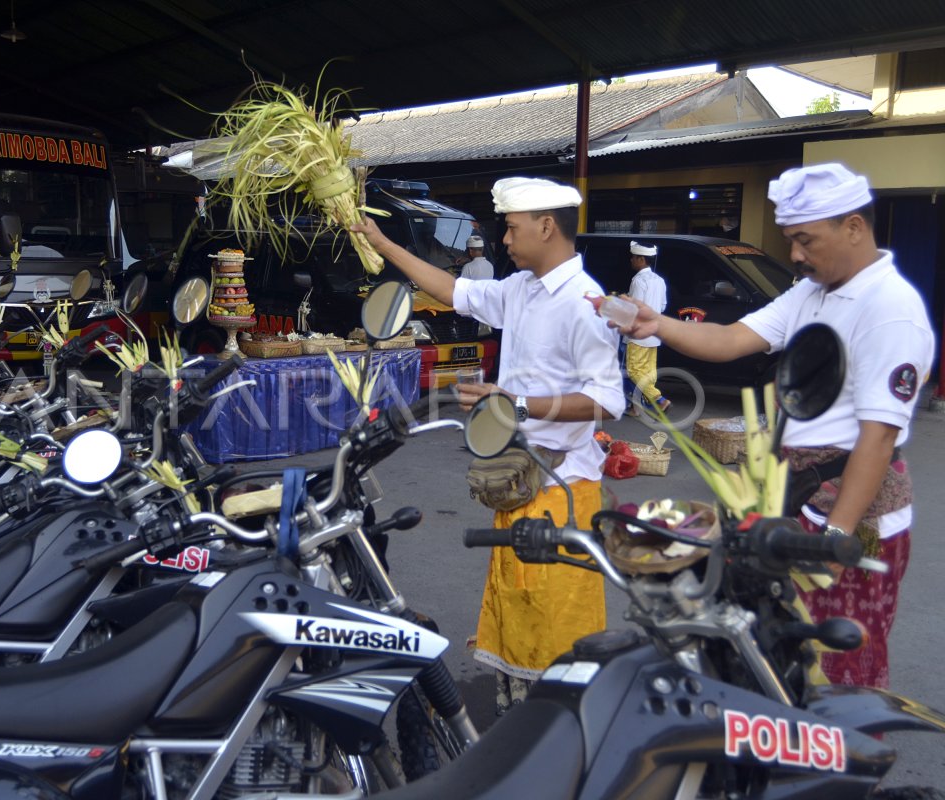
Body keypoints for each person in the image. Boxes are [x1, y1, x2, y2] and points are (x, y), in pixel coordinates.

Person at [612, 163, 935, 689]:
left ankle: (843, 764)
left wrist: (835, 538)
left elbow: (877, 437)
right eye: (792, 241)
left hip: (854, 519)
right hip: (795, 501)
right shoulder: (812, 294)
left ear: (853, 227)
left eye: (805, 240)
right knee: (778, 653)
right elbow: (732, 339)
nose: (796, 255)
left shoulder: (891, 308)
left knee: (838, 669)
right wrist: (658, 325)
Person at [352, 177, 624, 714]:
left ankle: (558, 728)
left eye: (511, 226)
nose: (503, 238)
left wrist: (516, 403)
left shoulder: (584, 302)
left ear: (546, 226)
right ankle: (517, 722)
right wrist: (382, 244)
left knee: (555, 618)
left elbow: (607, 400)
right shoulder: (520, 288)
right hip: (520, 481)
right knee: (517, 603)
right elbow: (452, 290)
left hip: (563, 489)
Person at [623, 240, 669, 416]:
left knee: (634, 370)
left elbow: (633, 309)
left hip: (638, 333)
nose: (631, 260)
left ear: (641, 259)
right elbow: (663, 306)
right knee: (649, 372)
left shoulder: (638, 280)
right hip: (654, 333)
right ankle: (637, 407)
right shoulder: (659, 280)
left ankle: (658, 399)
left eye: (633, 258)